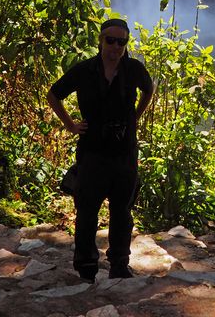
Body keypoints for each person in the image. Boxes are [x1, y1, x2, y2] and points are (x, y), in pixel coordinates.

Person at [47, 17, 153, 282]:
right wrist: (71, 125)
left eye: (122, 41)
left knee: (122, 213)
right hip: (92, 152)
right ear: (100, 40)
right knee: (86, 213)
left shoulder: (134, 69)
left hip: (125, 153)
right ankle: (86, 268)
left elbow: (149, 91)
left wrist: (135, 117)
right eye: (111, 40)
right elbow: (54, 94)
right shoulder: (84, 70)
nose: (116, 46)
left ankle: (119, 265)